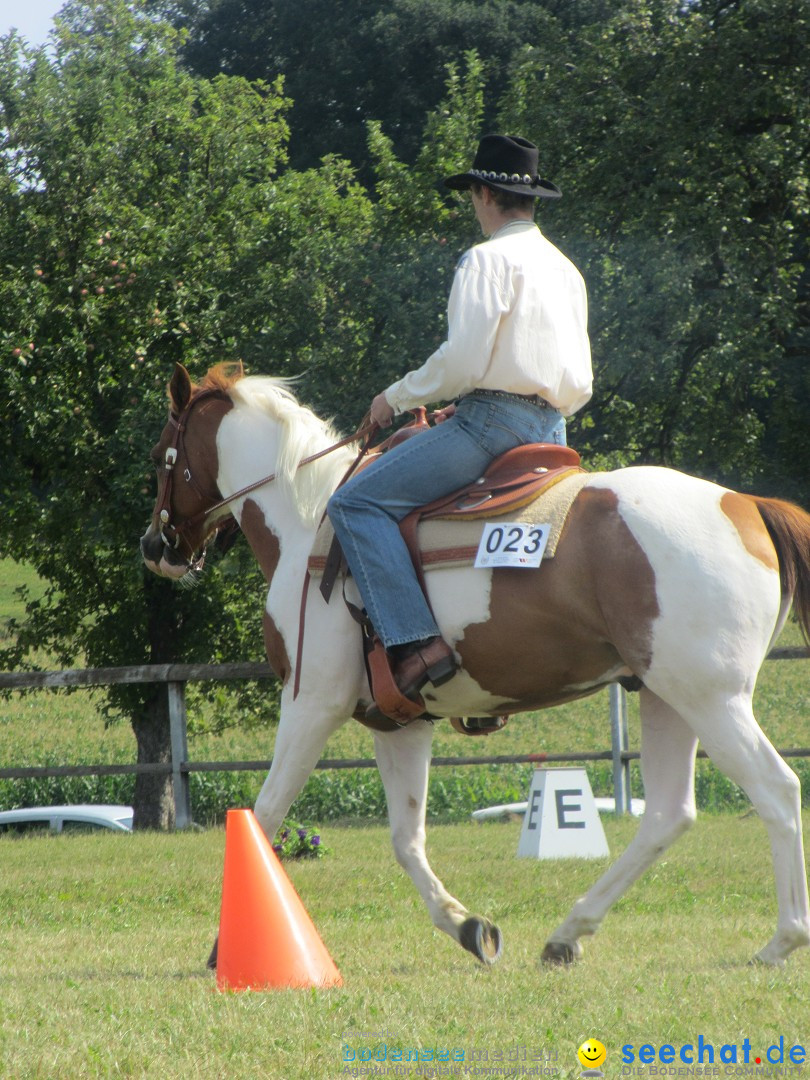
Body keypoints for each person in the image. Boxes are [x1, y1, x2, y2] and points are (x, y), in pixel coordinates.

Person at [327, 133, 592, 719]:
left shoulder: (485, 260)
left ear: (482, 194)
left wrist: (393, 397)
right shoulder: (565, 268)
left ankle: (418, 647)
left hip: (491, 427)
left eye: (473, 195)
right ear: (530, 200)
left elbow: (464, 361)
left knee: (355, 503)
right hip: (553, 436)